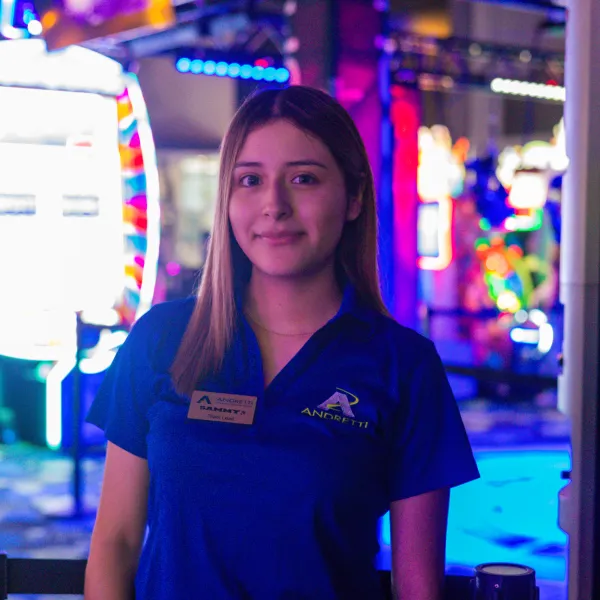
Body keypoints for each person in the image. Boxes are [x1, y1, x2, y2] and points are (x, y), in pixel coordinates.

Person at [84, 85, 480, 600]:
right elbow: (114, 545)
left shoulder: (403, 365)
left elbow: (417, 589)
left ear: (355, 196)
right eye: (250, 180)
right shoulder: (161, 339)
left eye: (304, 178)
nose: (274, 205)